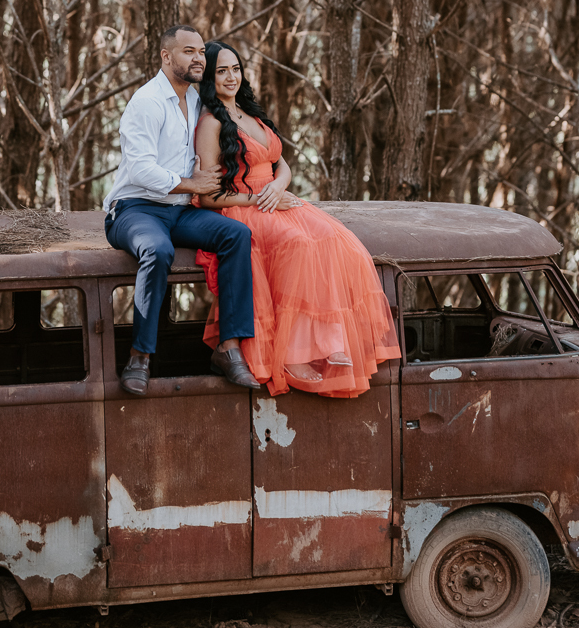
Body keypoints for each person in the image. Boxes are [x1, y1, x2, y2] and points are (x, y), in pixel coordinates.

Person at [194, 41, 401, 397]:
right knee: (298, 244)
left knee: (337, 240)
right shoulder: (211, 124)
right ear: (210, 78)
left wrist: (279, 185)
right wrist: (259, 197)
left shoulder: (250, 113)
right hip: (242, 205)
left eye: (236, 69)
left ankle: (331, 339)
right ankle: (296, 352)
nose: (231, 77)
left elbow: (279, 160)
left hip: (276, 197)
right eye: (221, 71)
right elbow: (208, 196)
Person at [105, 25, 260, 395]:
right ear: (166, 56)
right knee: (157, 250)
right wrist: (192, 184)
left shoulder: (195, 101)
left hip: (179, 210)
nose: (198, 58)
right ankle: (140, 356)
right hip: (134, 210)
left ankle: (228, 348)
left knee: (236, 234)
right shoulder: (146, 102)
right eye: (188, 51)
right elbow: (140, 169)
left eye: (201, 51)